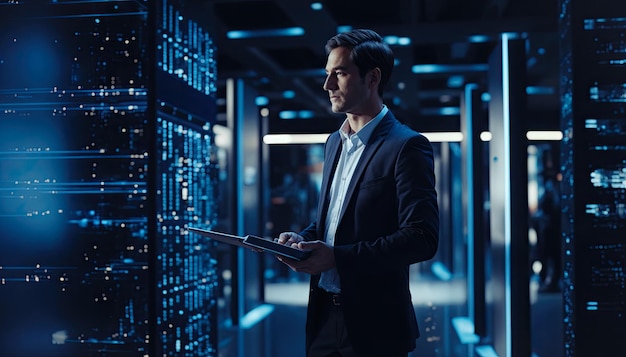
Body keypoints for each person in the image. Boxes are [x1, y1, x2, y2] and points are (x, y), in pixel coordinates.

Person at [274, 29, 440, 357]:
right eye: (326, 74)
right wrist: (302, 240)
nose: (327, 86)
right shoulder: (334, 142)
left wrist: (337, 257)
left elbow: (422, 238)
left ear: (372, 77)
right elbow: (334, 218)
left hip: (375, 325)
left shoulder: (406, 146)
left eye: (339, 73)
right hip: (323, 314)